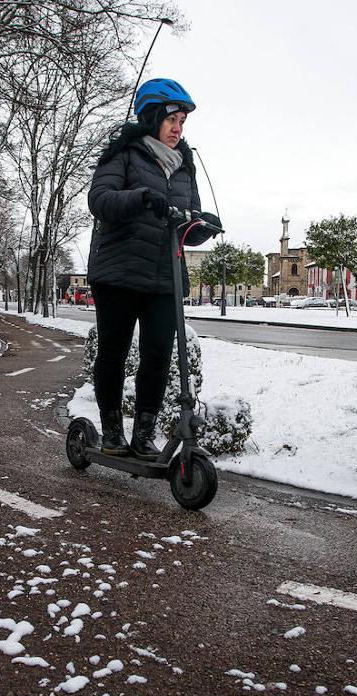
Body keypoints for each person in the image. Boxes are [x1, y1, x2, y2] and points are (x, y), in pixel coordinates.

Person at [86, 78, 221, 460]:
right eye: (172, 119)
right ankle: (112, 432)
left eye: (183, 121)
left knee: (159, 354)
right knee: (114, 350)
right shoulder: (125, 154)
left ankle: (143, 435)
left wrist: (201, 226)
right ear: (152, 117)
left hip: (165, 275)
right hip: (119, 271)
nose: (179, 128)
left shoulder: (184, 166)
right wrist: (142, 198)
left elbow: (185, 224)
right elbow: (100, 200)